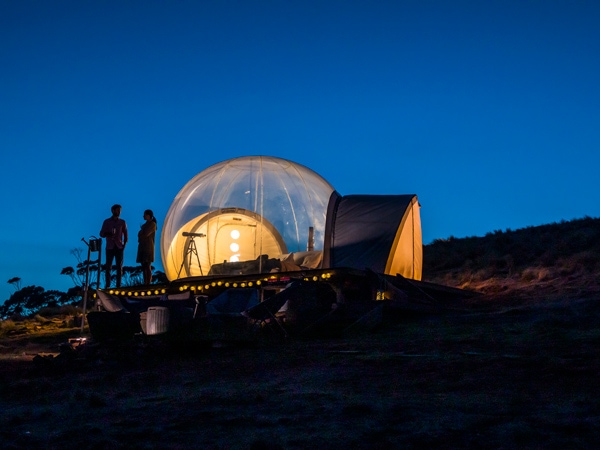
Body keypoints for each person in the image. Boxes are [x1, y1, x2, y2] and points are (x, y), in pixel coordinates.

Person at [99, 204, 128, 288]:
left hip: (119, 246)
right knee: (108, 266)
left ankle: (118, 285)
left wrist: (123, 246)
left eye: (120, 211)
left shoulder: (122, 222)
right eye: (117, 210)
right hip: (110, 246)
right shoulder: (107, 222)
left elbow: (126, 236)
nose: (118, 212)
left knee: (119, 267)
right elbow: (101, 233)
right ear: (113, 211)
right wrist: (107, 234)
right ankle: (107, 285)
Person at [137, 209, 157, 285]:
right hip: (142, 246)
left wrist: (141, 233)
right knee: (143, 265)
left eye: (145, 215)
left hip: (148, 247)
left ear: (149, 215)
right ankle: (145, 281)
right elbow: (140, 235)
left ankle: (148, 281)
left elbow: (145, 234)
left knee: (147, 264)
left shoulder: (152, 224)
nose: (143, 216)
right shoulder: (144, 225)